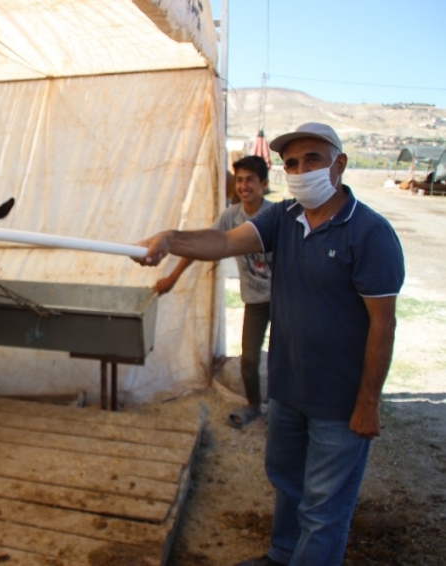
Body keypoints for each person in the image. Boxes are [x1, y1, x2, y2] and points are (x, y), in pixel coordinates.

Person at [134, 122, 404, 566]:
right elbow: (223, 241)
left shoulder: (370, 233)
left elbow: (383, 324)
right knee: (287, 483)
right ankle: (280, 555)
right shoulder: (283, 218)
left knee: (323, 510)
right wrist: (170, 238)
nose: (300, 170)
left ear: (340, 165)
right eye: (291, 163)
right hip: (288, 389)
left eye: (312, 159)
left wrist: (369, 401)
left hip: (340, 400)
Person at [154, 155, 272, 429]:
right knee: (250, 359)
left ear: (264, 184)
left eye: (251, 181)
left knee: (292, 356)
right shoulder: (231, 217)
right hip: (255, 300)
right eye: (240, 180)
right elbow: (202, 244)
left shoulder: (274, 215)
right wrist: (171, 277)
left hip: (285, 297)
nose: (244, 186)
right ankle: (254, 406)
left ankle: (291, 412)